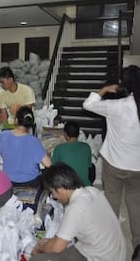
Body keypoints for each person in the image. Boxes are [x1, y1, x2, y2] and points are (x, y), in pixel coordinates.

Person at [83, 65, 140, 252]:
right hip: (137, 167)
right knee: (135, 204)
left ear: (123, 84)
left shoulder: (117, 106)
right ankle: (138, 245)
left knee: (111, 202)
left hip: (114, 164)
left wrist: (106, 89)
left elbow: (88, 104)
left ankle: (111, 244)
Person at [30, 163, 126, 261]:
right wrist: (52, 242)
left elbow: (56, 248)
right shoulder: (92, 191)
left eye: (53, 192)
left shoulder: (75, 208)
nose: (54, 197)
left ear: (60, 188)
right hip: (114, 252)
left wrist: (39, 247)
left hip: (100, 257)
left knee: (36, 258)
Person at [0, 106, 51, 186]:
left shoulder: (3, 136)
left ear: (16, 121)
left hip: (9, 181)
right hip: (31, 182)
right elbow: (48, 164)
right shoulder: (34, 141)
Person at [51, 121, 92, 186]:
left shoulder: (59, 148)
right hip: (85, 185)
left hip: (67, 186)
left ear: (65, 134)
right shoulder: (86, 147)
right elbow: (89, 166)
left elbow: (52, 167)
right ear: (78, 134)